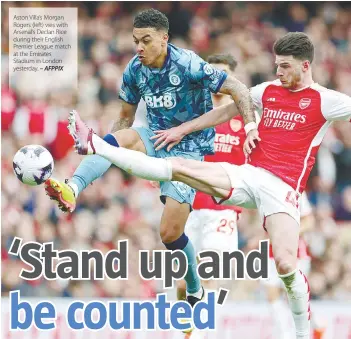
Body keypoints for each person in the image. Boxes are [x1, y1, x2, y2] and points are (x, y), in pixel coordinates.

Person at [62, 32, 351, 339]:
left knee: (284, 265)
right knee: (176, 170)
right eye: (276, 65)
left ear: (306, 66)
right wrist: (181, 129)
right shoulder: (266, 91)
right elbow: (223, 112)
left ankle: (303, 332)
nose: (278, 72)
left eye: (285, 67)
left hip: (278, 191)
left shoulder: (326, 100)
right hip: (241, 180)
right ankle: (95, 144)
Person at [45, 8, 258, 306]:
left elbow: (236, 87)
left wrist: (250, 126)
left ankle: (194, 286)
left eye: (146, 40)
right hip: (155, 137)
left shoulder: (188, 64)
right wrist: (110, 154)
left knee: (169, 233)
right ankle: (74, 187)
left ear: (164, 38)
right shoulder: (134, 69)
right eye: (136, 41)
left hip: (189, 151)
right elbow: (124, 120)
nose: (139, 47)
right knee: (122, 138)